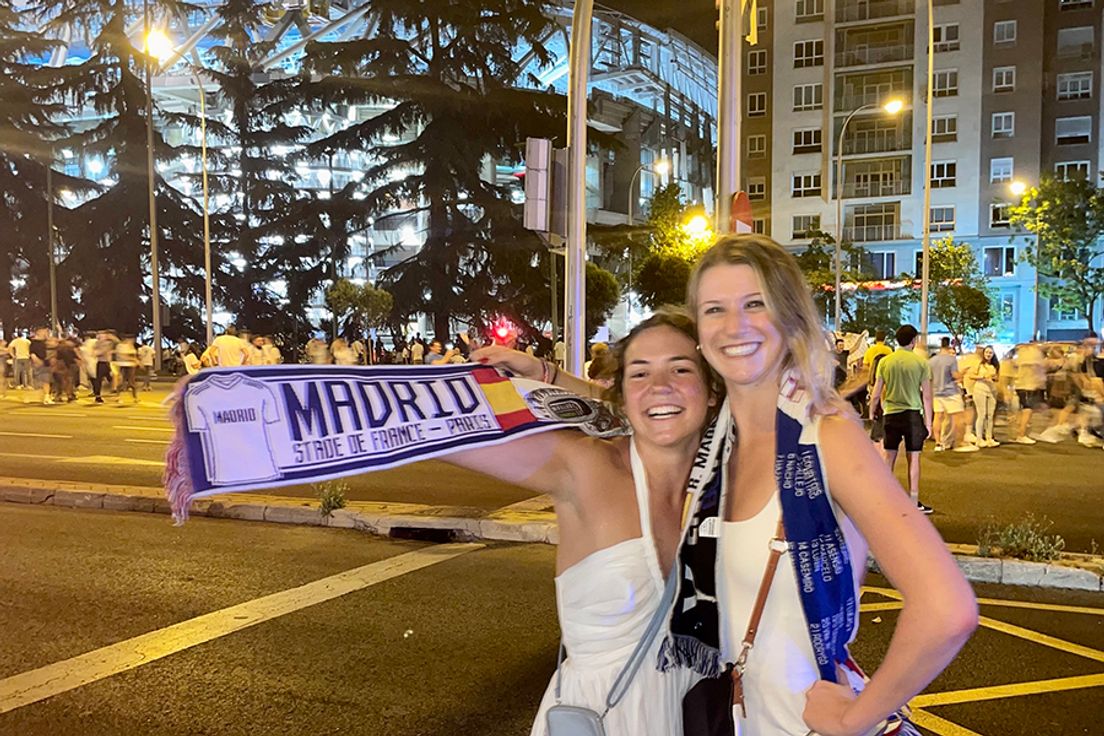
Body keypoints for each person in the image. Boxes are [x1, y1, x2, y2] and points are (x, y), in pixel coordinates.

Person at [679, 235, 976, 736]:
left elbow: (948, 609)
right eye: (714, 309)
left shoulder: (824, 434)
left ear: (791, 316)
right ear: (699, 329)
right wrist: (549, 374)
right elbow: (632, 412)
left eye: (756, 303)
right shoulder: (714, 438)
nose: (735, 326)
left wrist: (856, 718)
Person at [453, 309, 715, 736]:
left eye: (680, 369)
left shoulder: (720, 481)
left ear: (711, 391)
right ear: (623, 394)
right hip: (599, 721)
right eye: (639, 374)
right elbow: (444, 435)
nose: (659, 387)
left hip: (688, 716)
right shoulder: (586, 467)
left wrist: (546, 372)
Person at [870, 324, 935, 513]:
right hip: (913, 414)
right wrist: (928, 423)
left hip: (891, 413)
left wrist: (872, 410)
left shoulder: (885, 362)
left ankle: (884, 497)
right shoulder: (921, 363)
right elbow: (927, 396)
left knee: (889, 456)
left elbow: (876, 393)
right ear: (913, 341)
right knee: (913, 458)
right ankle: (914, 501)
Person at [929, 337, 977, 453]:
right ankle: (959, 443)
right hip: (951, 392)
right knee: (958, 418)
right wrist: (963, 373)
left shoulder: (932, 361)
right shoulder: (951, 360)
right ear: (949, 345)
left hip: (937, 392)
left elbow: (929, 377)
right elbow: (955, 375)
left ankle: (938, 443)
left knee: (938, 418)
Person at [1009, 343, 1045, 445]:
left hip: (1021, 386)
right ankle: (1021, 434)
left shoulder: (1021, 358)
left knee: (1024, 410)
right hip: (1027, 386)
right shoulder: (1032, 359)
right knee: (1027, 410)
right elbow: (1037, 372)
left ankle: (1019, 433)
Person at [967, 346, 1000, 448]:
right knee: (981, 414)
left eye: (991, 353)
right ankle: (979, 439)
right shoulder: (979, 364)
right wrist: (982, 377)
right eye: (987, 352)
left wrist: (994, 378)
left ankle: (989, 438)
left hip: (992, 391)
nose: (989, 354)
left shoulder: (995, 365)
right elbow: (971, 375)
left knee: (990, 415)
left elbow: (997, 378)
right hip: (980, 390)